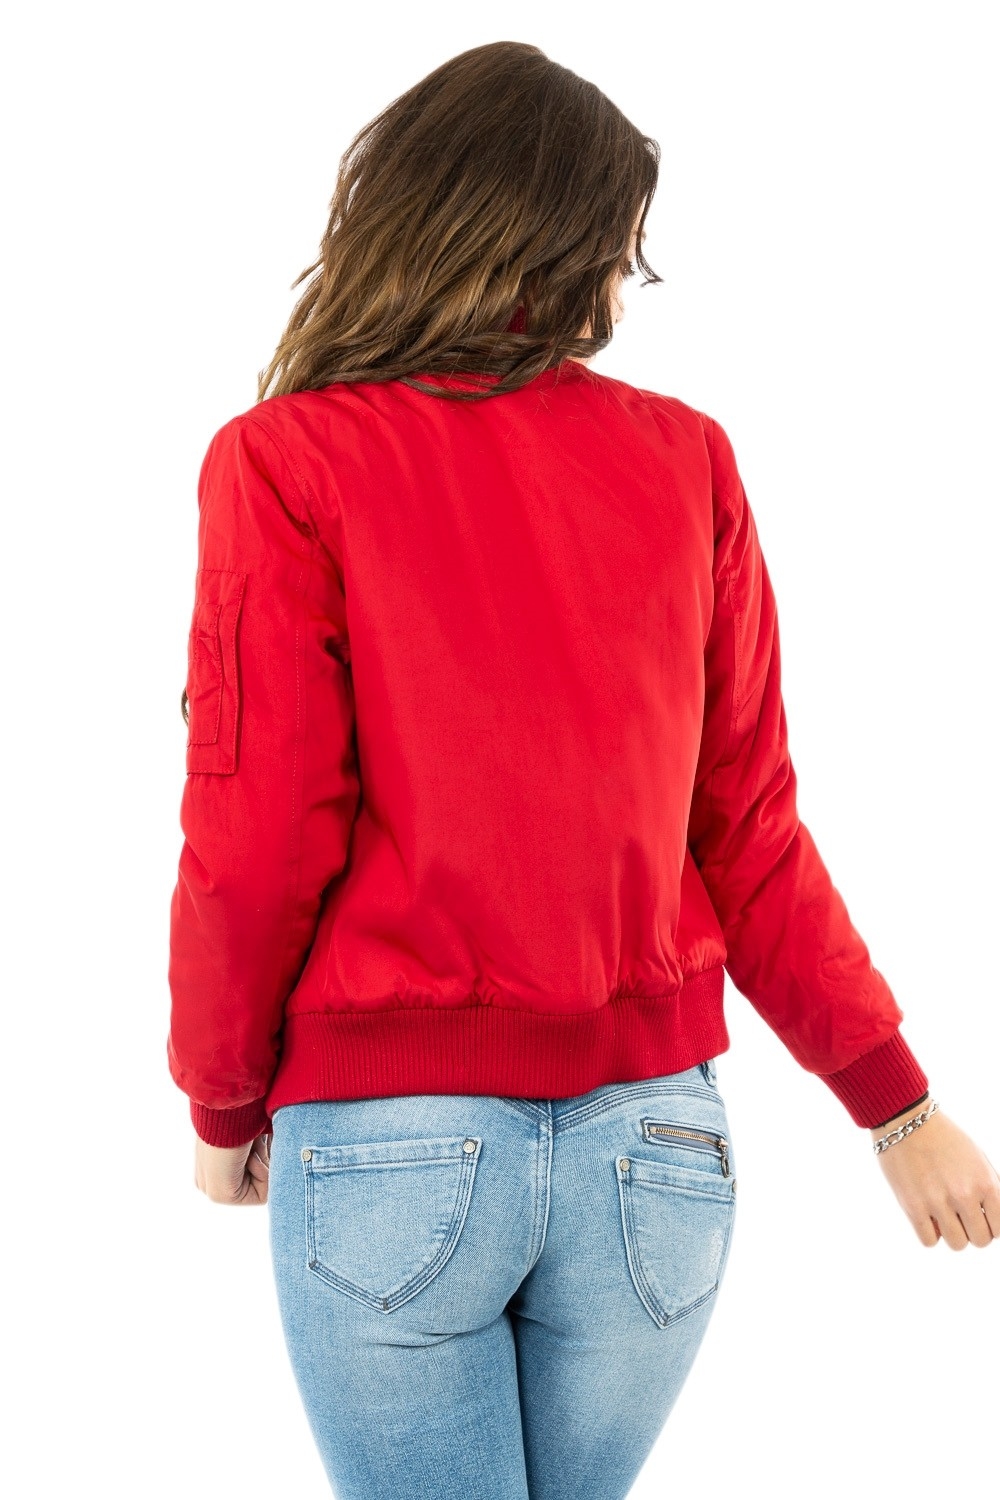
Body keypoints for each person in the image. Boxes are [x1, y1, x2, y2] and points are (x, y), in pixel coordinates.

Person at [166, 38, 999, 1500]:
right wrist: (898, 1108)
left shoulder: (285, 459)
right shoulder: (686, 463)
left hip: (391, 1149)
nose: (623, 288)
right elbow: (750, 832)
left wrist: (225, 1099)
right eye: (621, 252)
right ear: (552, 246)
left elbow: (260, 830)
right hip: (656, 1153)